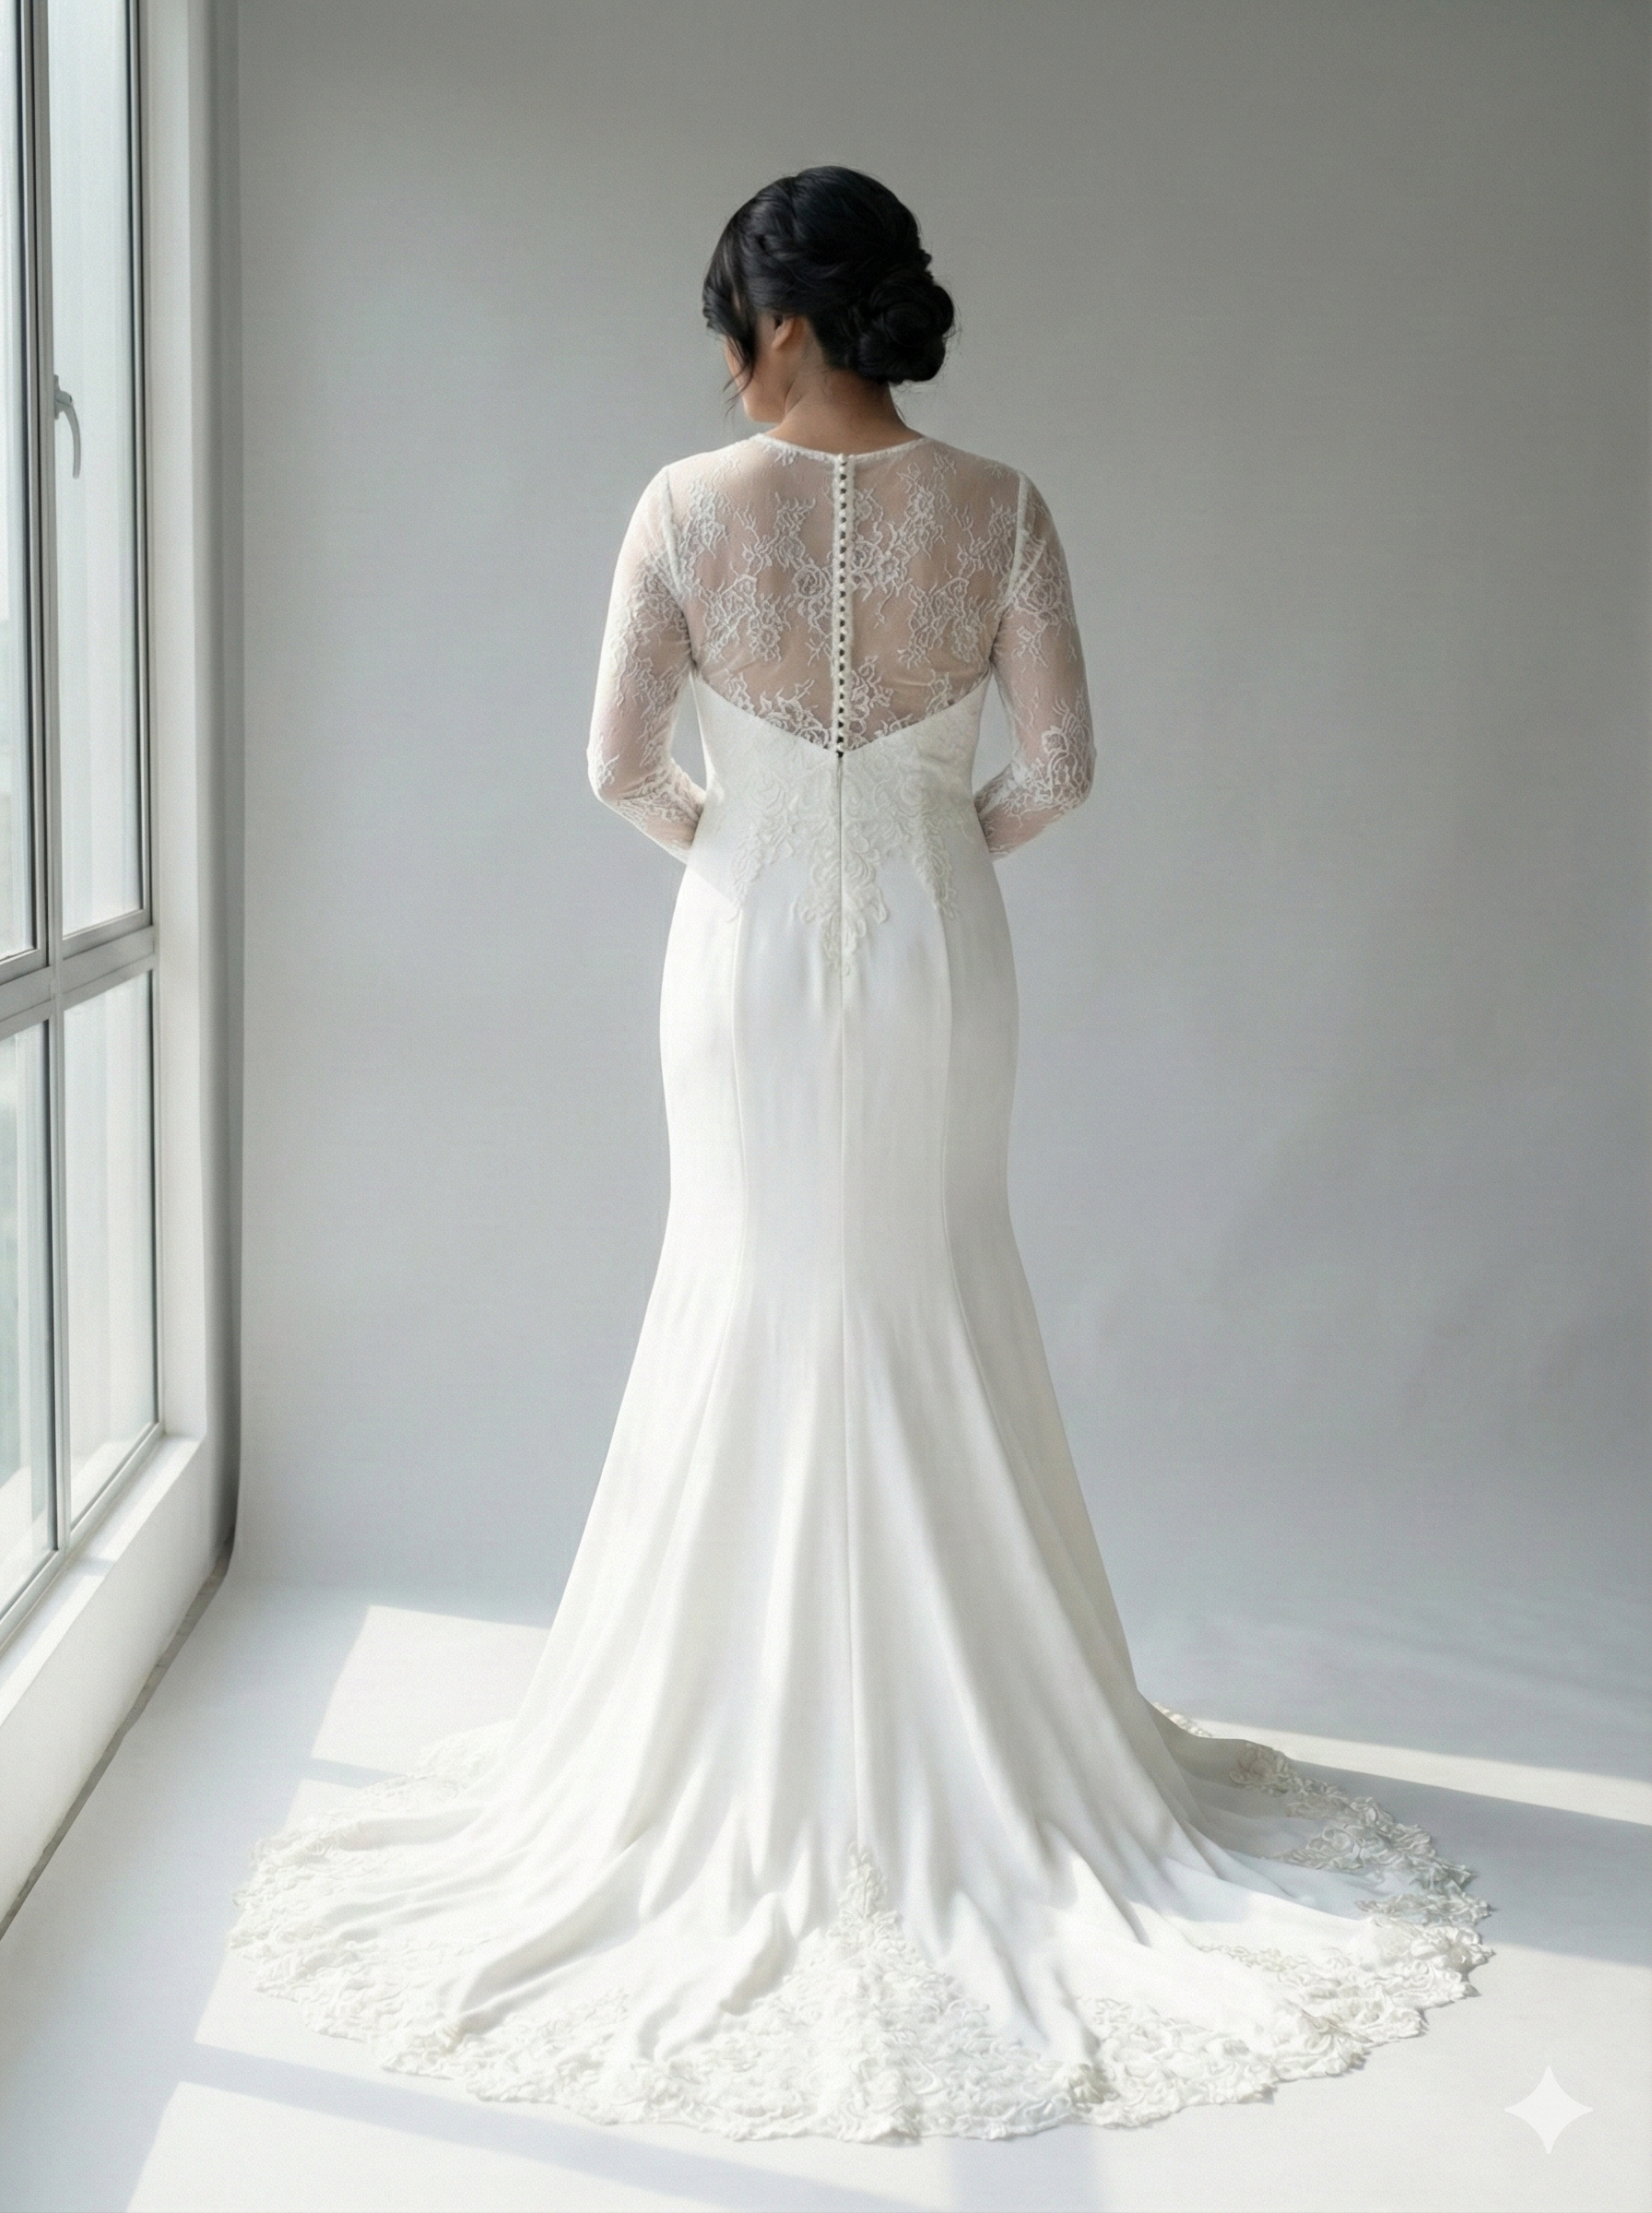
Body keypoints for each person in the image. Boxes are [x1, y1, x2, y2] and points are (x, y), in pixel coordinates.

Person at [230, 167, 1490, 2141]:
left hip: (734, 962)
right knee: (929, 1284)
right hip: (937, 959)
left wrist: (749, 846)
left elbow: (613, 765)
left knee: (742, 1291)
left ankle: (728, 1748)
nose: (724, 367)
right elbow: (1062, 766)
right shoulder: (1003, 506)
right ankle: (983, 1739)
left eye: (732, 329)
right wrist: (918, 848)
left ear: (790, 321)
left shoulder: (679, 508)